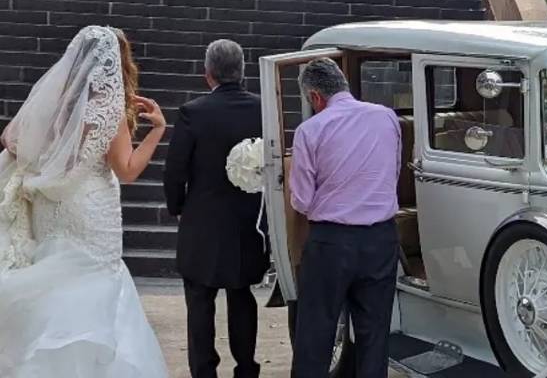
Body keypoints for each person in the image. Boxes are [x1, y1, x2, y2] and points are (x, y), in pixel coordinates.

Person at [0, 26, 168, 377]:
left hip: (52, 206)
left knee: (56, 278)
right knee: (98, 279)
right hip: (91, 209)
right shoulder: (108, 111)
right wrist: (157, 132)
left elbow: (10, 138)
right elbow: (127, 170)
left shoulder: (58, 103)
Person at [164, 40, 269, 378]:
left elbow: (175, 169)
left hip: (203, 221)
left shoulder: (192, 112)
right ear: (242, 70)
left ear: (206, 74)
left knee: (199, 300)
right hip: (247, 220)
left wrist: (177, 206)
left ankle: (204, 371)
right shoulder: (263, 109)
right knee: (241, 296)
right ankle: (247, 368)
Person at [290, 59, 401, 378]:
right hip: (381, 238)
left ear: (314, 97)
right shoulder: (386, 117)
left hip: (331, 242)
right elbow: (392, 172)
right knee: (374, 335)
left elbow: (302, 199)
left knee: (315, 334)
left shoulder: (310, 130)